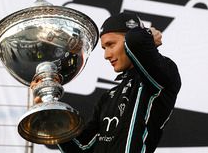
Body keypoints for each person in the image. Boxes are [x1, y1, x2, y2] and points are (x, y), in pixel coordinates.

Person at [33, 12, 181, 153]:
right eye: (104, 48)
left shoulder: (162, 75)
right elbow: (81, 148)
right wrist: (49, 110)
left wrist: (147, 35)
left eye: (111, 44)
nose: (106, 55)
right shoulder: (108, 97)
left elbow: (136, 41)